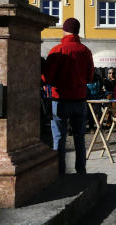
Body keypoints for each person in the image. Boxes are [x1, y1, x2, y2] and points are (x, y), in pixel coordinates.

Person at [43, 17, 94, 175]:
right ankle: (81, 171)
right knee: (79, 138)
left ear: (64, 30)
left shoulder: (57, 50)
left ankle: (59, 172)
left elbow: (47, 78)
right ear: (77, 31)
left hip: (60, 99)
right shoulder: (85, 51)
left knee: (59, 137)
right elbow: (90, 77)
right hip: (79, 99)